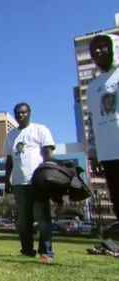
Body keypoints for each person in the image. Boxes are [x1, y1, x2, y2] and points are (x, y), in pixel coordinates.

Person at [3, 102, 56, 263]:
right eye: (18, 113)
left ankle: (46, 252)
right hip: (19, 183)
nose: (21, 115)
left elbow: (48, 153)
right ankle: (27, 250)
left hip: (38, 181)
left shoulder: (40, 129)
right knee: (23, 219)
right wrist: (7, 180)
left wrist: (47, 175)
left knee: (43, 217)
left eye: (24, 112)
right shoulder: (11, 135)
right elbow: (9, 160)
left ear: (30, 113)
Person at [87, 34, 119, 219]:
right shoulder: (93, 87)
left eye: (102, 46)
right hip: (107, 154)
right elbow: (91, 122)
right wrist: (93, 154)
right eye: (93, 49)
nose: (97, 51)